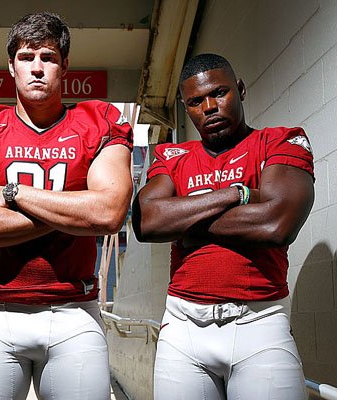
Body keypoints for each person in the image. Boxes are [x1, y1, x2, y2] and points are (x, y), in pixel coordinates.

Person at [0, 12, 134, 400]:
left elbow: (109, 214)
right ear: (10, 66)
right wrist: (75, 209)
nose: (37, 68)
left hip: (74, 311)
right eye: (26, 57)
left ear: (64, 66)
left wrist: (13, 193)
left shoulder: (98, 121)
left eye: (47, 57)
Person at [133, 53, 314, 399]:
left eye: (219, 93)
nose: (209, 107)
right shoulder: (172, 157)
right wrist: (238, 193)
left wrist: (187, 222)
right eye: (196, 102)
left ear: (241, 89)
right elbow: (148, 222)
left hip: (259, 322)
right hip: (183, 327)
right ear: (187, 109)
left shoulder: (279, 141)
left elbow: (277, 224)